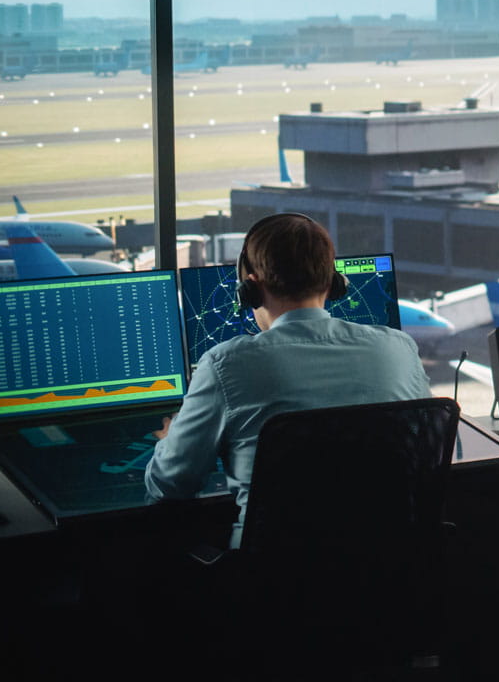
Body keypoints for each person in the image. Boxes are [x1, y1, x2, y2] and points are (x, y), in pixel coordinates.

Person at [146, 213, 430, 540]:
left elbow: (169, 486)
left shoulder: (225, 365)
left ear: (249, 289)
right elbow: (422, 452)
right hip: (392, 572)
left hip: (275, 581)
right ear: (334, 283)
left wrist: (170, 443)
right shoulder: (400, 348)